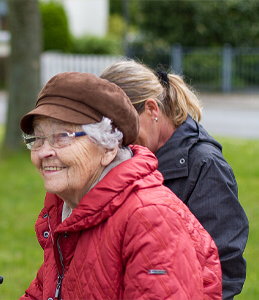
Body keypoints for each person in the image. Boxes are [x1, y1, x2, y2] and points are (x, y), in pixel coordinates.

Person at [19, 72, 222, 300]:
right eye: (37, 138)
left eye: (62, 136)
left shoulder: (150, 219)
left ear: (108, 148)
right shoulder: (67, 208)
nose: (44, 151)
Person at [100, 59, 249, 300]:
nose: (116, 141)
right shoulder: (129, 155)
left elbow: (224, 268)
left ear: (151, 109)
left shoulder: (205, 164)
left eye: (123, 126)